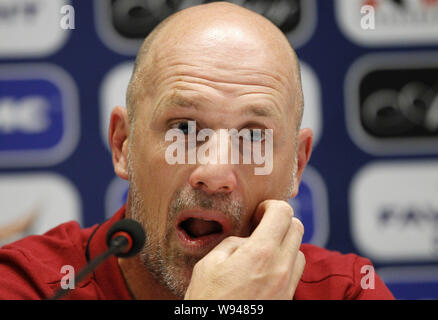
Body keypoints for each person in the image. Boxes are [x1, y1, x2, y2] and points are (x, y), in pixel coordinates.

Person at [0, 2, 394, 300]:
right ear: (123, 145)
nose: (215, 171)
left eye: (253, 136)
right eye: (184, 129)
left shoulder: (345, 290)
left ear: (297, 165)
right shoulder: (29, 285)